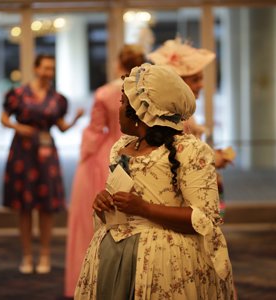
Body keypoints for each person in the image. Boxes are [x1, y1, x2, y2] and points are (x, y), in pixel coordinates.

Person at [75, 63, 235, 299]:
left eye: (122, 103)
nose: (118, 109)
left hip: (165, 261)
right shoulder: (122, 148)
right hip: (115, 254)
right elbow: (119, 208)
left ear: (140, 111)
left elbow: (206, 219)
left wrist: (144, 209)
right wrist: (104, 203)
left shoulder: (189, 150)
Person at [63, 44, 146, 299]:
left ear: (118, 64)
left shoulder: (104, 93)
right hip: (140, 151)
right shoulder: (145, 91)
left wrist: (85, 156)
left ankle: (96, 277)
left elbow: (94, 130)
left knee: (99, 219)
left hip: (105, 156)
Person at [1, 54, 83, 274]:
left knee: (47, 207)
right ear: (36, 68)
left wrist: (75, 119)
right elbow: (4, 118)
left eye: (52, 68)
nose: (49, 72)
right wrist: (18, 128)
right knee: (24, 207)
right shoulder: (18, 94)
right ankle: (27, 255)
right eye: (46, 68)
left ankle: (45, 254)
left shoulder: (57, 99)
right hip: (22, 151)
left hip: (47, 153)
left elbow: (62, 126)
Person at [148, 38, 234, 217]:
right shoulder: (178, 120)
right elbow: (181, 161)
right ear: (179, 86)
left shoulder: (181, 116)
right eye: (195, 80)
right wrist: (213, 159)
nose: (201, 85)